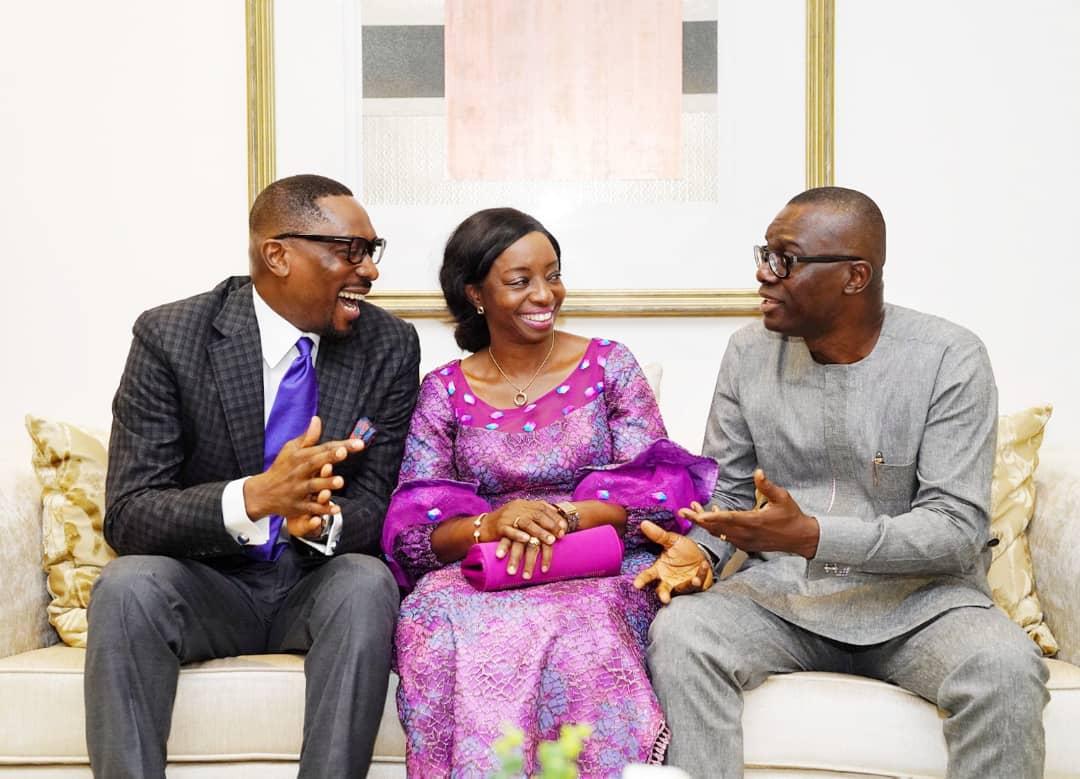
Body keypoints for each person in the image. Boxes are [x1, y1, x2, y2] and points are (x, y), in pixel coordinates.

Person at [636, 187, 1049, 779]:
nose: (762, 274)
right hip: (782, 599)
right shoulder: (748, 352)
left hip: (924, 605)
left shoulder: (948, 358)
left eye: (785, 259)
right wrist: (699, 550)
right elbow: (726, 498)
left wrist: (811, 536)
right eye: (764, 254)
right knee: (683, 632)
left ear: (855, 276)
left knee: (1006, 668)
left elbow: (956, 532)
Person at [85, 174, 420, 777]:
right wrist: (258, 497)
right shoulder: (170, 336)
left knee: (367, 583)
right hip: (205, 583)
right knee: (127, 585)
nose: (369, 271)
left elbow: (379, 501)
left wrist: (316, 519)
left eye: (373, 252)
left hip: (313, 582)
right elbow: (130, 512)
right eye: (351, 251)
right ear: (277, 254)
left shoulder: (389, 345)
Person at [382, 207, 716, 778]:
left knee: (580, 625)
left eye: (553, 274)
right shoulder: (444, 391)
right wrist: (497, 521)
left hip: (599, 565)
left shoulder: (610, 366)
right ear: (475, 294)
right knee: (429, 613)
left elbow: (664, 496)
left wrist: (570, 514)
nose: (545, 293)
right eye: (520, 281)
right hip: (487, 568)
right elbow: (415, 535)